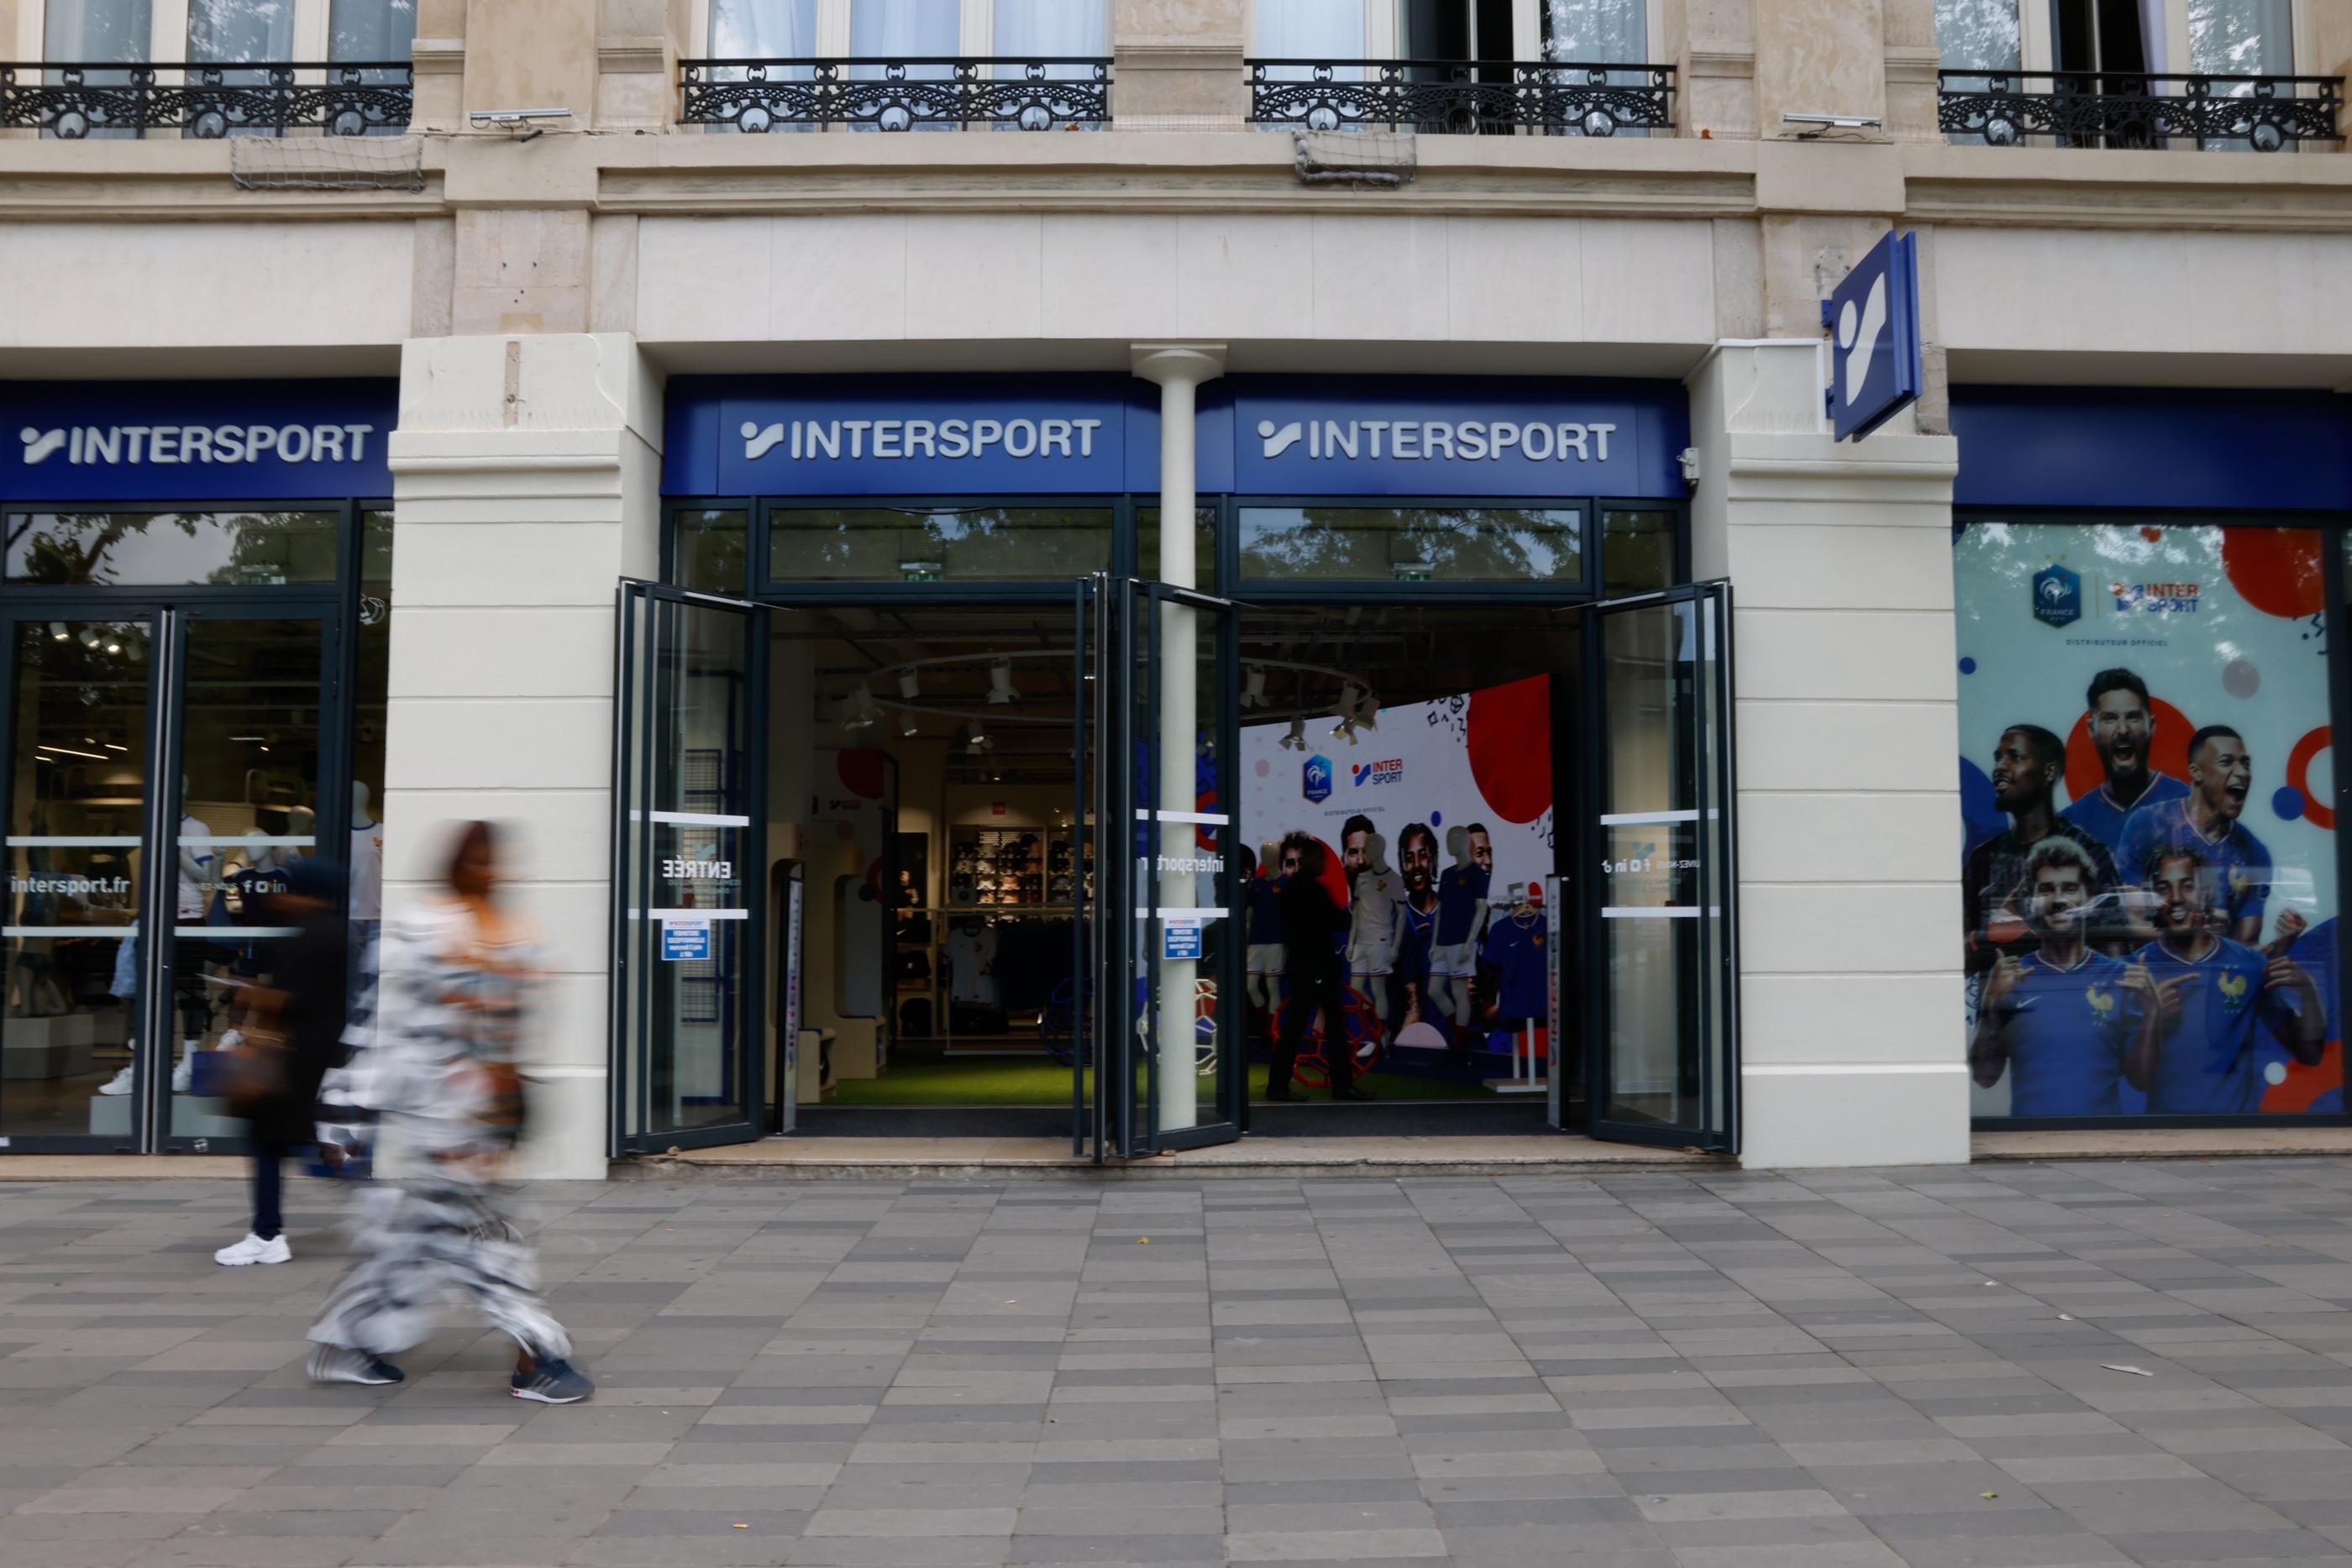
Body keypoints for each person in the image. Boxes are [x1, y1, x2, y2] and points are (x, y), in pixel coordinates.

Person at [307, 821, 593, 1403]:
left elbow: (514, 1033)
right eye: (480, 859)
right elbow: (377, 1028)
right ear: (457, 866)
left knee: (415, 1241)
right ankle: (537, 1356)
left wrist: (511, 1107)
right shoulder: (421, 935)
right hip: (441, 1123)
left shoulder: (514, 934)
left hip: (485, 1122)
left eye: (498, 860)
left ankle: (345, 1344)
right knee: (489, 1244)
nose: (494, 871)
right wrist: (341, 1118)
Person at [213, 857, 350, 1267]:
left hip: (294, 1056)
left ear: (308, 894)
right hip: (313, 1053)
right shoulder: (335, 932)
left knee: (268, 1142)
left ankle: (267, 1235)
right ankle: (269, 1229)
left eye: (290, 889)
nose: (281, 897)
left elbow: (294, 1000)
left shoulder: (310, 938)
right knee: (283, 1141)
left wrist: (249, 994)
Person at [2133, 845, 2323, 1115]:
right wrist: (2153, 1019)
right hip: (2163, 1135)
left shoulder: (2248, 965)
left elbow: (2310, 1054)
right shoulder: (2137, 970)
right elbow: (2138, 1079)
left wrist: (2308, 992)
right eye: (2163, 889)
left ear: (2206, 892)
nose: (2176, 898)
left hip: (2237, 1132)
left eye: (2187, 886)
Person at [1970, 838, 2150, 1117]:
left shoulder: (2118, 977)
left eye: (2069, 888)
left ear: (2088, 898)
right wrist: (1991, 1010)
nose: (2058, 900)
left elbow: (2141, 1079)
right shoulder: (2011, 977)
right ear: (2033, 901)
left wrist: (2152, 1013)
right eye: (2046, 889)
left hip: (2104, 1143)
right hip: (2028, 1142)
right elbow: (1984, 1077)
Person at [1963, 725, 2118, 974]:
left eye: (2014, 756)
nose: (1999, 767)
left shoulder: (2089, 853)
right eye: (1998, 758)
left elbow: (2113, 952)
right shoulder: (1983, 858)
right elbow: (1957, 951)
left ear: (2049, 772)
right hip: (1998, 1007)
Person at [2117, 725, 2275, 948]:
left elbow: (2246, 945)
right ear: (2196, 772)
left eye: (2245, 764)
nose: (2242, 773)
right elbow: (2129, 921)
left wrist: (2282, 944)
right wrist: (2197, 933)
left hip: (2216, 978)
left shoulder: (2255, 853)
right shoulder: (2148, 824)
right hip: (2155, 972)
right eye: (2227, 762)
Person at [1268, 833, 1369, 1103]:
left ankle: (1279, 1085)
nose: (1325, 862)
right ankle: (1340, 1085)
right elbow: (1336, 921)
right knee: (1329, 1028)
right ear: (1310, 860)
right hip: (1316, 970)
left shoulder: (1294, 889)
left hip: (1305, 968)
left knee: (1298, 1027)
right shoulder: (1311, 890)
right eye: (1321, 858)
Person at [2061, 669, 2189, 852]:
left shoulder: (2187, 804)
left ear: (2151, 726)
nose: (2122, 729)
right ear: (2091, 728)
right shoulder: (2071, 823)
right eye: (2110, 718)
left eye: (2133, 717)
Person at [1394, 822, 1439, 1027]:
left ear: (1433, 859)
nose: (1417, 865)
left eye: (1423, 855)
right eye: (1409, 858)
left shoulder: (1451, 912)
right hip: (1410, 1030)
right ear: (1403, 864)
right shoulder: (1397, 917)